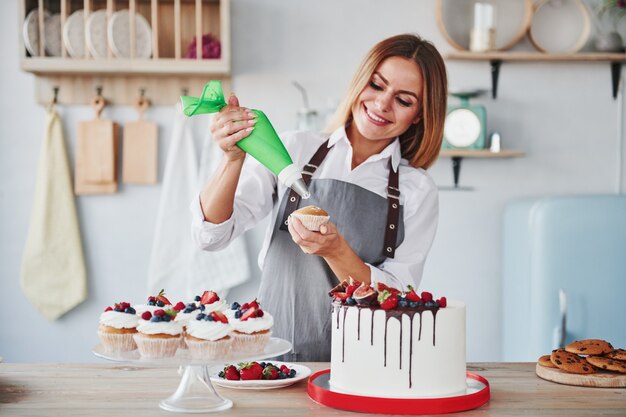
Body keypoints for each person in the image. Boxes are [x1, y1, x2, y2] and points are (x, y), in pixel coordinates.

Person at [191, 33, 447, 361]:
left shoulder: (417, 190)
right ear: (359, 81)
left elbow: (396, 298)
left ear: (421, 115)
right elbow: (210, 236)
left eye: (404, 100)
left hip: (364, 365)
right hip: (274, 361)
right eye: (377, 85)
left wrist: (337, 251)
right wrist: (232, 159)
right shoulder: (294, 149)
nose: (382, 104)